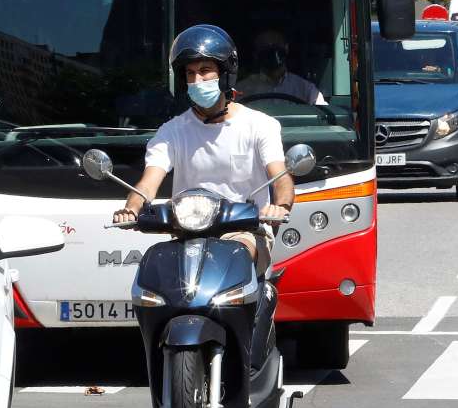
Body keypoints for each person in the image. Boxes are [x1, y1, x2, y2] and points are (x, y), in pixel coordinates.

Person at [112, 24, 293, 277]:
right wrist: (131, 207)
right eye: (190, 73)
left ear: (226, 74)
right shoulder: (171, 131)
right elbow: (148, 182)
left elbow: (281, 176)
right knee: (157, 275)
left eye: (205, 71)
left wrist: (280, 207)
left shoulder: (261, 125)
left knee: (235, 257)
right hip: (188, 233)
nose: (197, 80)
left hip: (245, 233)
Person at [236, 29, 326, 105]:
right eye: (264, 46)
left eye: (276, 45)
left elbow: (323, 118)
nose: (271, 51)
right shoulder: (242, 90)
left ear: (286, 48)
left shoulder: (306, 89)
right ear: (256, 54)